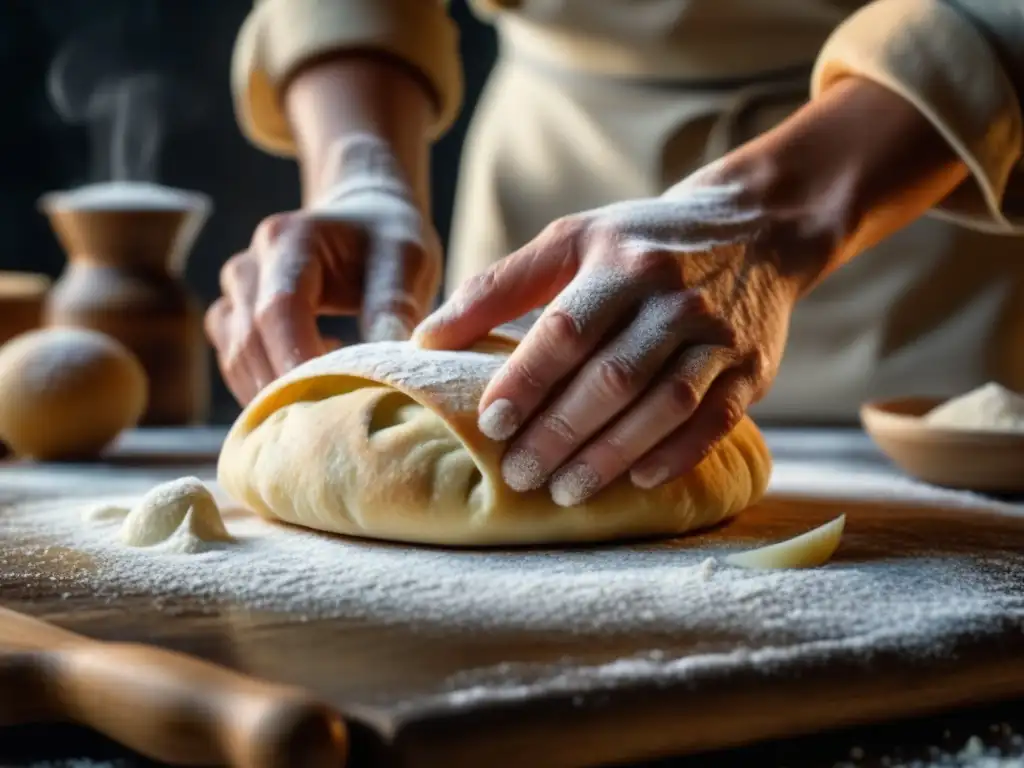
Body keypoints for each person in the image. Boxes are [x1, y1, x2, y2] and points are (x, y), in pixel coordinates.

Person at [206, 0, 1024, 507]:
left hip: (915, 179)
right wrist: (361, 169)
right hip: (549, 180)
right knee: (513, 433)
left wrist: (781, 211)